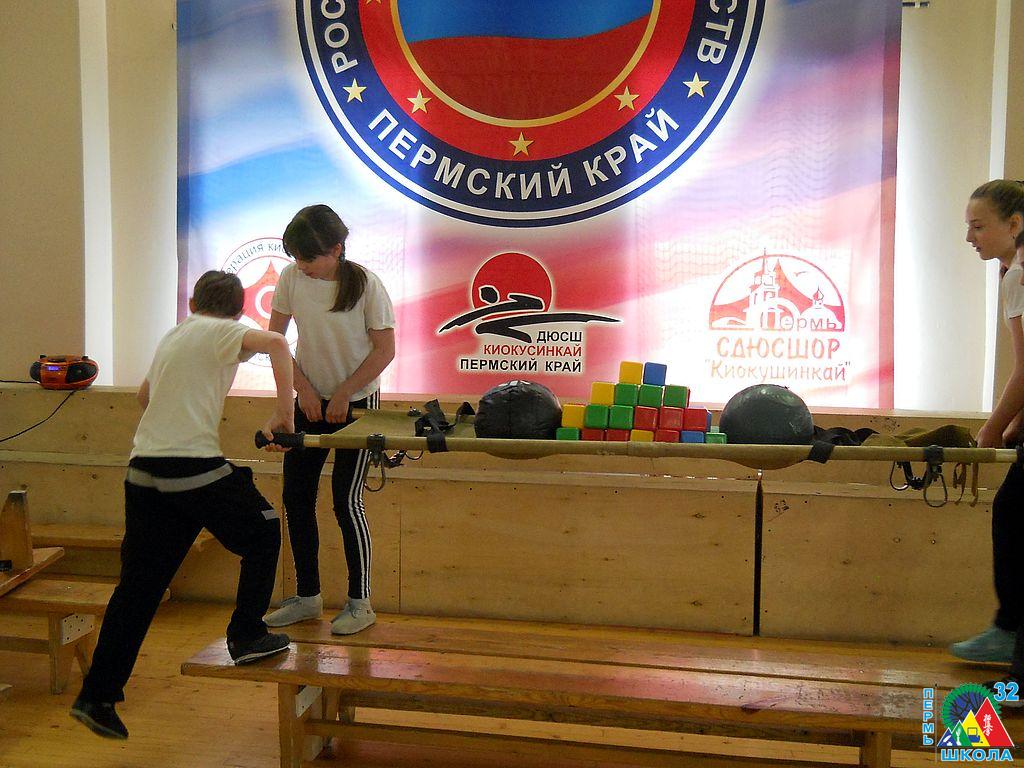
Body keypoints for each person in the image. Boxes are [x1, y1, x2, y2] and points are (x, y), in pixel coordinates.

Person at [70, 271, 296, 739]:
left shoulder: (175, 335)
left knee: (139, 588)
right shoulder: (223, 330)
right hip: (191, 467)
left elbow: (144, 397)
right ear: (239, 310)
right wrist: (283, 413)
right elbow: (276, 342)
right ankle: (247, 634)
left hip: (143, 470)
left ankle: (97, 696)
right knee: (264, 529)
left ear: (193, 302)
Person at [263, 204, 395, 635]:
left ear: (336, 249)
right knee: (296, 498)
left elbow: (385, 351)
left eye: (309, 258)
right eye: (296, 258)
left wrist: (343, 392)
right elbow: (275, 342)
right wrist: (302, 388)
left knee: (346, 501)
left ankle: (361, 602)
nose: (301, 266)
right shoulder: (290, 278)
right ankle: (308, 597)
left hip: (357, 405)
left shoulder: (367, 285)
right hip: (309, 403)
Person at [949, 180, 1024, 700]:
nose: (970, 237)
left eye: (978, 226)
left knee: (1015, 515)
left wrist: (993, 427)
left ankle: (1011, 635)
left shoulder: (1018, 273)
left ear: (1014, 224)